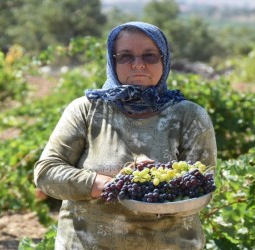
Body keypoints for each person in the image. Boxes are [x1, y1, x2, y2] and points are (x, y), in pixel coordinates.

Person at [34, 21, 217, 249]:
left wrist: (158, 181)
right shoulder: (86, 110)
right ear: (113, 61)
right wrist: (103, 184)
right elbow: (46, 172)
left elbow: (202, 190)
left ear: (164, 60)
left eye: (149, 56)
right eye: (125, 56)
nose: (138, 65)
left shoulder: (189, 116)